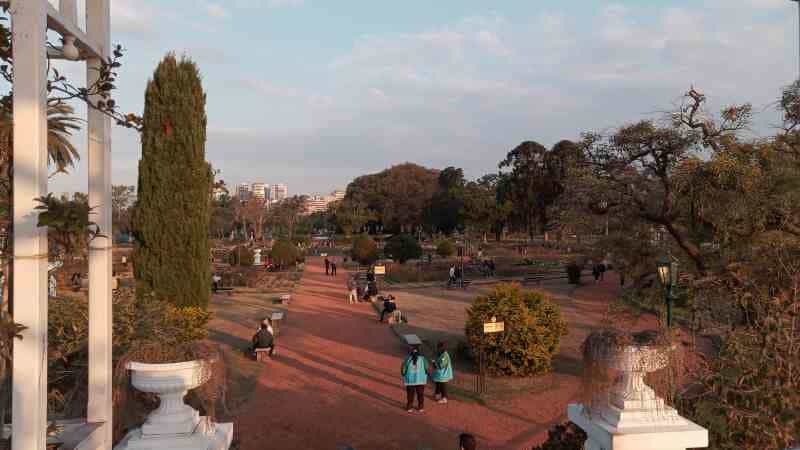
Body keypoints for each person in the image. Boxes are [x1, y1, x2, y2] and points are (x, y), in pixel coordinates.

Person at [400, 345, 429, 413]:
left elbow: (403, 370)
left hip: (410, 381)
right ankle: (420, 407)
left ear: (411, 352)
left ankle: (409, 407)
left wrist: (403, 374)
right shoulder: (423, 359)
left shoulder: (407, 359)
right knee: (420, 394)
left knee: (410, 394)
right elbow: (427, 368)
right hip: (421, 380)